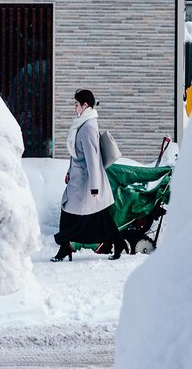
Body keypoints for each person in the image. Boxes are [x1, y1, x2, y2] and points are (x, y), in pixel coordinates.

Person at [51, 89, 126, 262]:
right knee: (93, 216)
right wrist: (70, 172)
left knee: (79, 214)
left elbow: (93, 159)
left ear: (85, 105)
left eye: (76, 104)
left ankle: (65, 248)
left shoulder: (88, 127)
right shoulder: (82, 124)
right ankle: (116, 242)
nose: (74, 108)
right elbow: (78, 154)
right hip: (79, 180)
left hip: (86, 183)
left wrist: (95, 186)